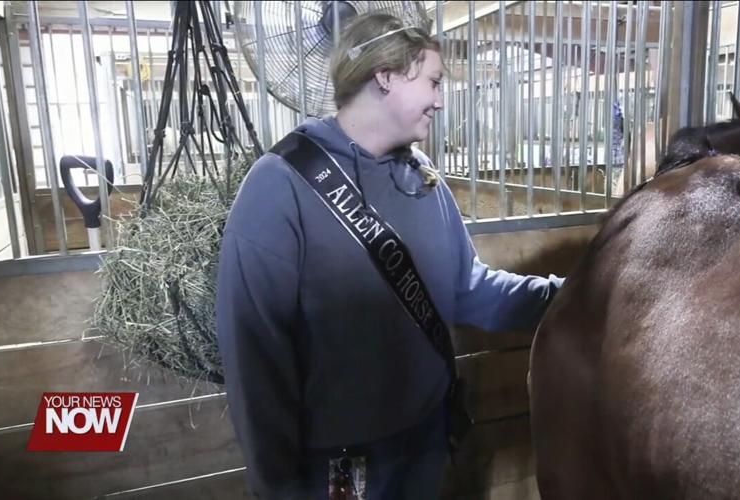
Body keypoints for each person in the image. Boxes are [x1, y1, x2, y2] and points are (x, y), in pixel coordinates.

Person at [215, 12, 564, 500]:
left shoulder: (423, 179)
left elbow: (467, 290)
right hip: (338, 469)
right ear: (385, 76)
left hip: (424, 444)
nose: (440, 100)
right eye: (433, 81)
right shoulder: (279, 186)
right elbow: (255, 353)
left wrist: (567, 296)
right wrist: (277, 484)